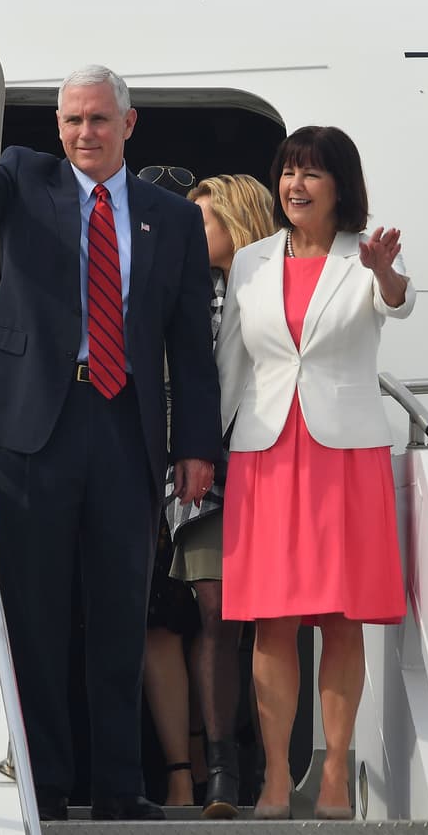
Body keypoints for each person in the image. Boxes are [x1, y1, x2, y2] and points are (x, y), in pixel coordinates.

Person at [0, 41, 222, 822]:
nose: (84, 133)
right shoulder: (26, 178)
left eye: (97, 119)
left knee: (123, 611)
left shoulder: (172, 220)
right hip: (35, 425)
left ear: (129, 122)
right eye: (71, 120)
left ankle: (120, 786)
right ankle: (46, 778)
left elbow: (191, 343)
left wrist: (196, 445)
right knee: (36, 609)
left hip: (125, 427)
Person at [213, 126, 415, 820]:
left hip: (341, 452)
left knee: (339, 618)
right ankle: (275, 777)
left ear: (340, 187)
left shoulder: (363, 258)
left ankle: (333, 774)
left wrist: (384, 271)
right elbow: (231, 364)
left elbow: (398, 302)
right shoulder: (250, 263)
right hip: (265, 451)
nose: (296, 186)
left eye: (312, 175)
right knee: (270, 621)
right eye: (288, 172)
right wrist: (201, 449)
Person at [165, 174, 275, 819]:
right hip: (202, 472)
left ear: (237, 221)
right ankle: (223, 773)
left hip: (275, 465)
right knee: (216, 613)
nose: (187, 231)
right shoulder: (186, 291)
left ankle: (272, 767)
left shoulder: (276, 287)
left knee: (274, 620)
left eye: (201, 220)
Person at [134, 163, 205, 809]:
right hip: (139, 467)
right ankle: (181, 771)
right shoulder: (118, 262)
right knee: (155, 622)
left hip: (200, 471)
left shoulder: (219, 288)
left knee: (207, 624)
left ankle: (209, 767)